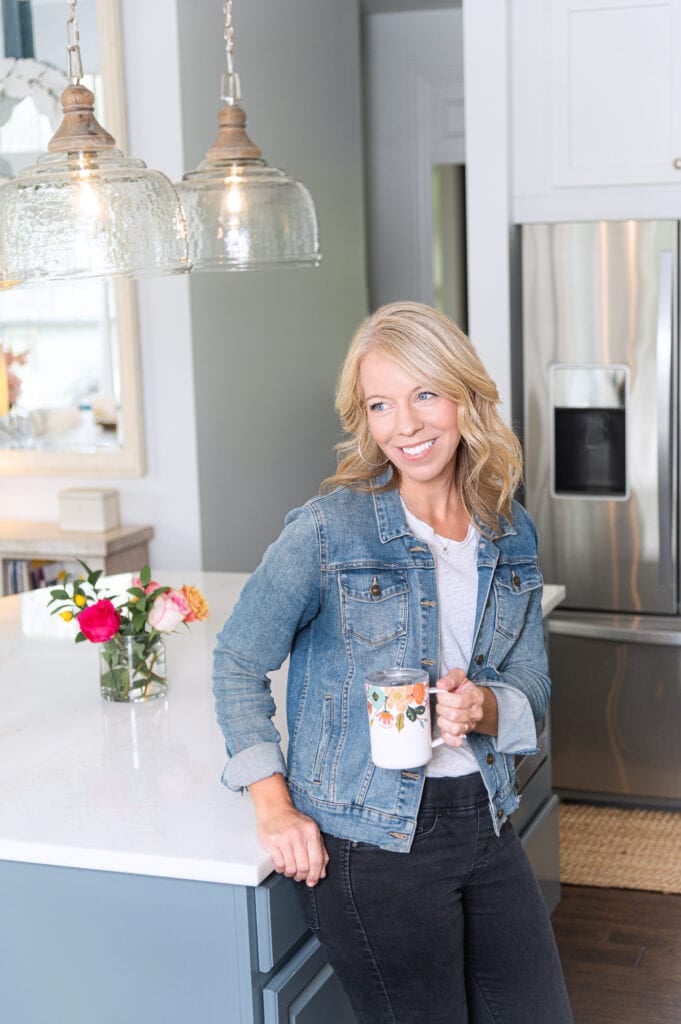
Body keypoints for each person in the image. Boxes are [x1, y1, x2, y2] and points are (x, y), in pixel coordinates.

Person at [212, 301, 574, 1024]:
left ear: (464, 397)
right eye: (381, 404)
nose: (404, 425)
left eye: (423, 395)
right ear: (364, 418)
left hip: (484, 815)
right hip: (371, 842)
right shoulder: (328, 530)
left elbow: (532, 681)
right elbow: (235, 662)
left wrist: (486, 706)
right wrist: (273, 806)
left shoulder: (507, 527)